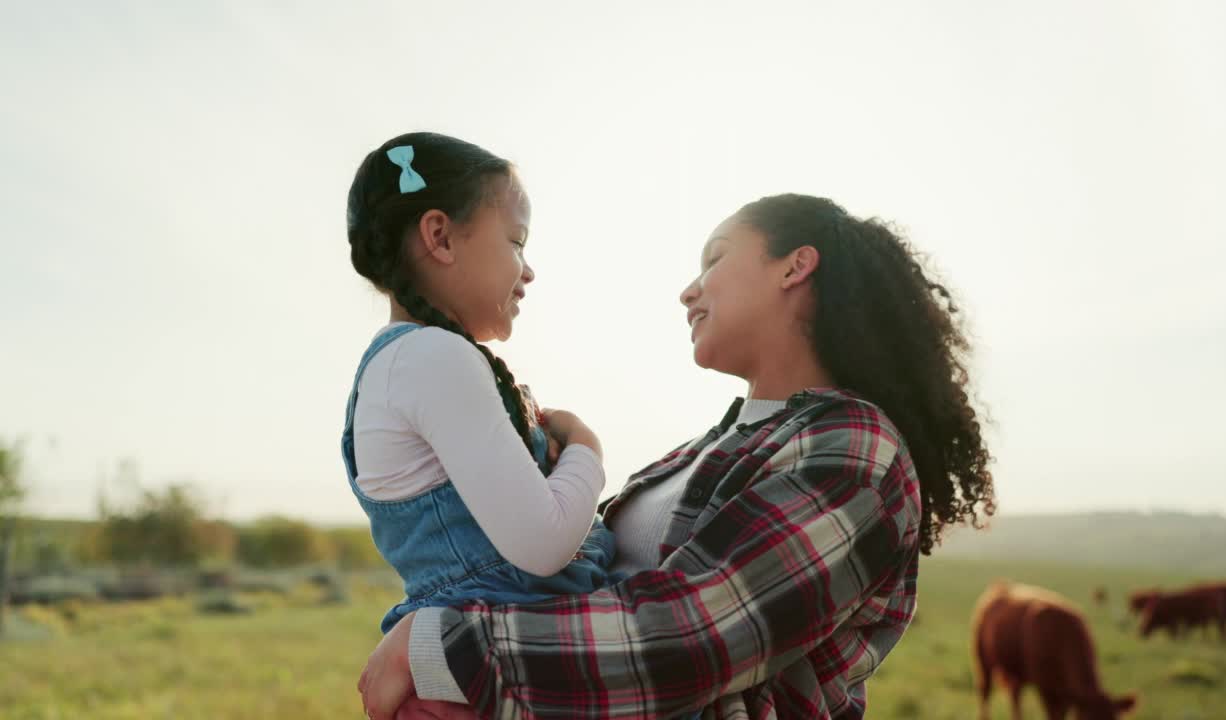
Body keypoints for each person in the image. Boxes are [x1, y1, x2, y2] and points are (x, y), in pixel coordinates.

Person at [359, 192, 996, 719]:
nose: (688, 292)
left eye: (714, 259)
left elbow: (689, 639)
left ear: (794, 267)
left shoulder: (857, 450)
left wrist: (441, 649)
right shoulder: (698, 453)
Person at [342, 131, 623, 641]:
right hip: (517, 655)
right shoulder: (431, 357)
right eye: (516, 242)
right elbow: (543, 543)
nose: (529, 270)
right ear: (441, 237)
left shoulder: (407, 362)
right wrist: (587, 446)